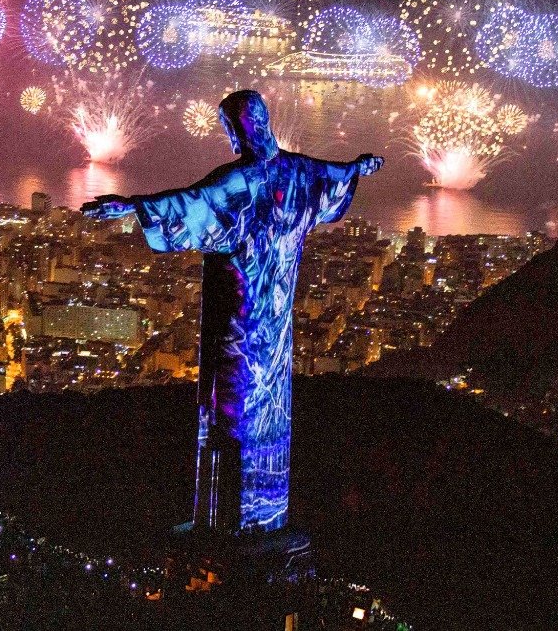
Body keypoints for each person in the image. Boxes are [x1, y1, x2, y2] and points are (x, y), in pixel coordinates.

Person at [82, 89, 382, 534]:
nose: (232, 137)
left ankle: (229, 521)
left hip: (238, 319)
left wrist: (131, 205)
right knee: (269, 406)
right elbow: (334, 177)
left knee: (230, 406)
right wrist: (358, 168)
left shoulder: (239, 182)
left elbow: (190, 203)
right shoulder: (300, 173)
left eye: (229, 128)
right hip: (277, 322)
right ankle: (266, 513)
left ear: (239, 128)